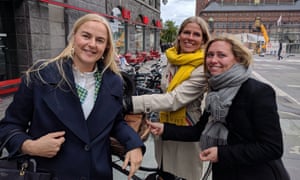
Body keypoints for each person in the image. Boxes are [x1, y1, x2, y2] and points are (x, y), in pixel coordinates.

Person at [0, 13, 145, 180]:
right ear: (74, 37)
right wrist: (30, 146)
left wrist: (133, 144)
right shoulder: (40, 76)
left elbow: (115, 122)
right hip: (49, 174)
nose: (92, 44)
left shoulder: (115, 81)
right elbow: (9, 126)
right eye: (86, 36)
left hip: (97, 174)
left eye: (100, 40)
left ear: (106, 47)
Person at [147, 34, 285, 180]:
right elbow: (199, 130)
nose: (213, 60)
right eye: (210, 55)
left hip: (256, 174)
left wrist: (221, 153)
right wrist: (164, 128)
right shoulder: (215, 90)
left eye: (221, 55)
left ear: (238, 58)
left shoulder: (258, 92)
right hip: (224, 172)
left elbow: (272, 147)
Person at [124, 16, 211, 180]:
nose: (190, 38)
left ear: (203, 40)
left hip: (186, 130)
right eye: (186, 32)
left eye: (196, 34)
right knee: (164, 172)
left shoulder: (202, 67)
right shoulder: (172, 60)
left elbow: (173, 99)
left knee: (184, 174)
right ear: (179, 35)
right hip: (163, 126)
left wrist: (131, 103)